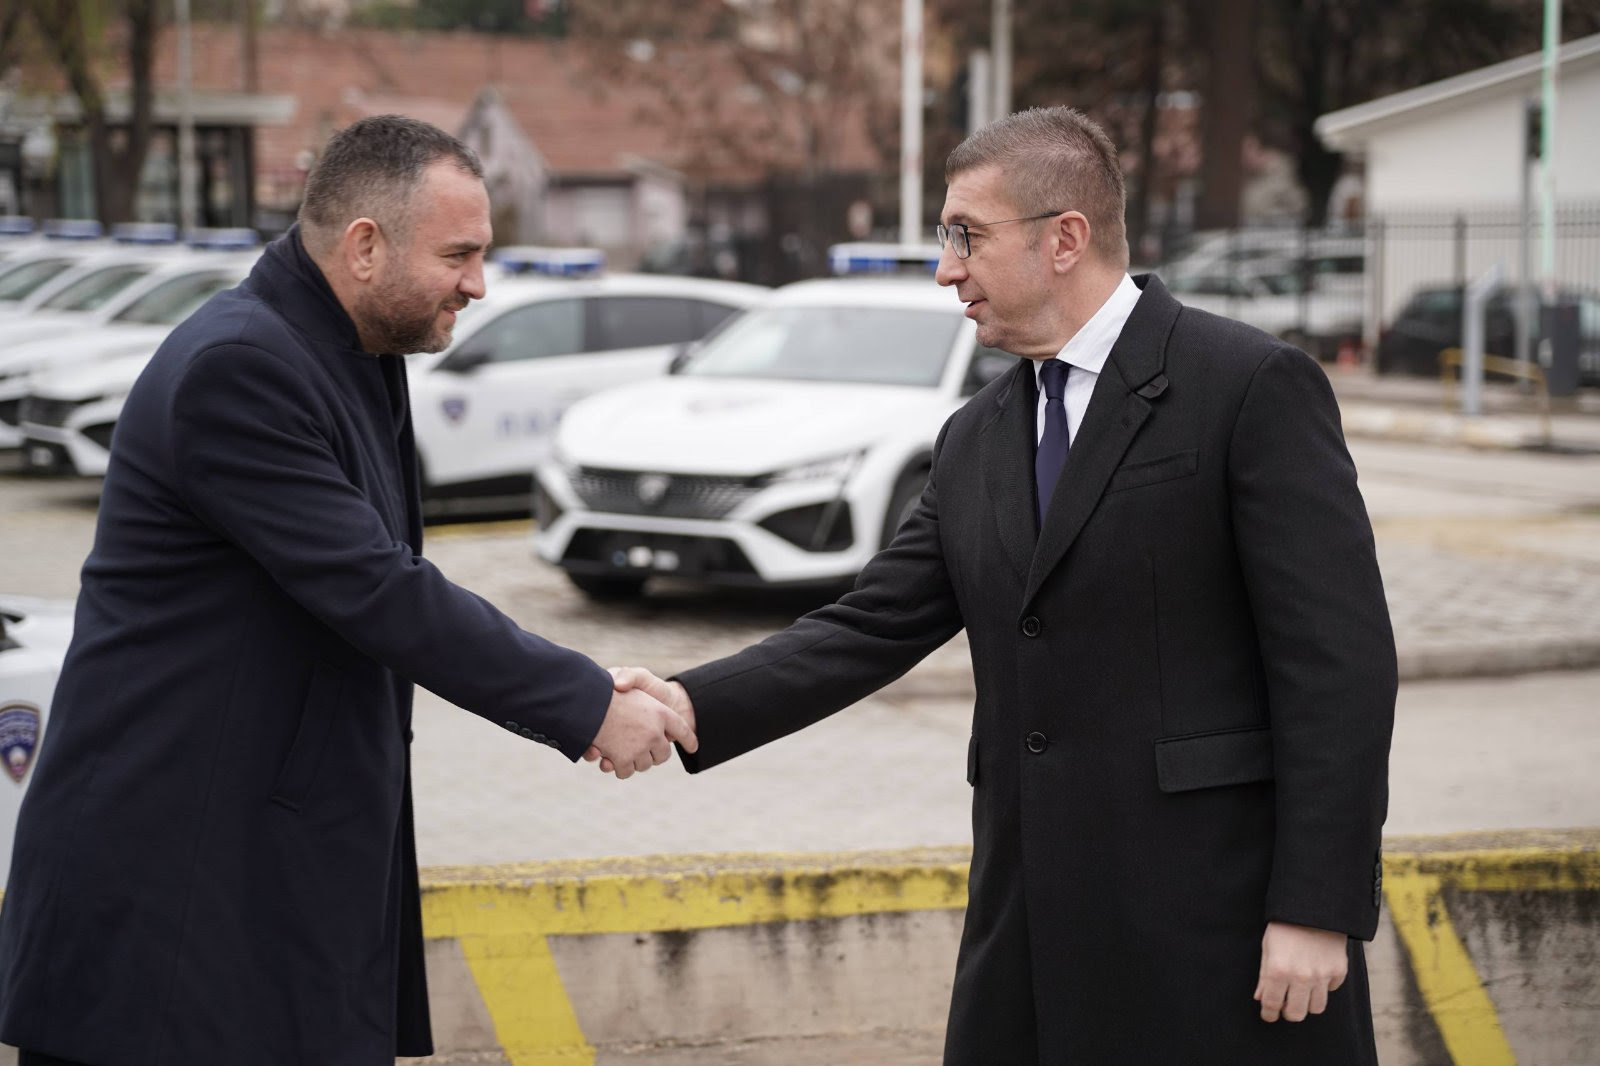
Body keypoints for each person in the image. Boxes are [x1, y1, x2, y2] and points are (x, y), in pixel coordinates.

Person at [609, 106, 1396, 1064]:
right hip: (1030, 927)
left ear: (1065, 239)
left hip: (1214, 924)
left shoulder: (1250, 386)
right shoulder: (973, 436)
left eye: (966, 237)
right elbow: (872, 624)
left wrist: (1316, 906)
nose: (947, 270)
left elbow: (1338, 668)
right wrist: (691, 703)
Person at [0, 115, 693, 1066]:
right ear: (365, 246)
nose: (478, 284)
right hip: (174, 907)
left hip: (260, 882)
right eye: (458, 254)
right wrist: (583, 703)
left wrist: (584, 688)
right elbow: (379, 589)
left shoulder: (348, 353)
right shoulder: (239, 368)